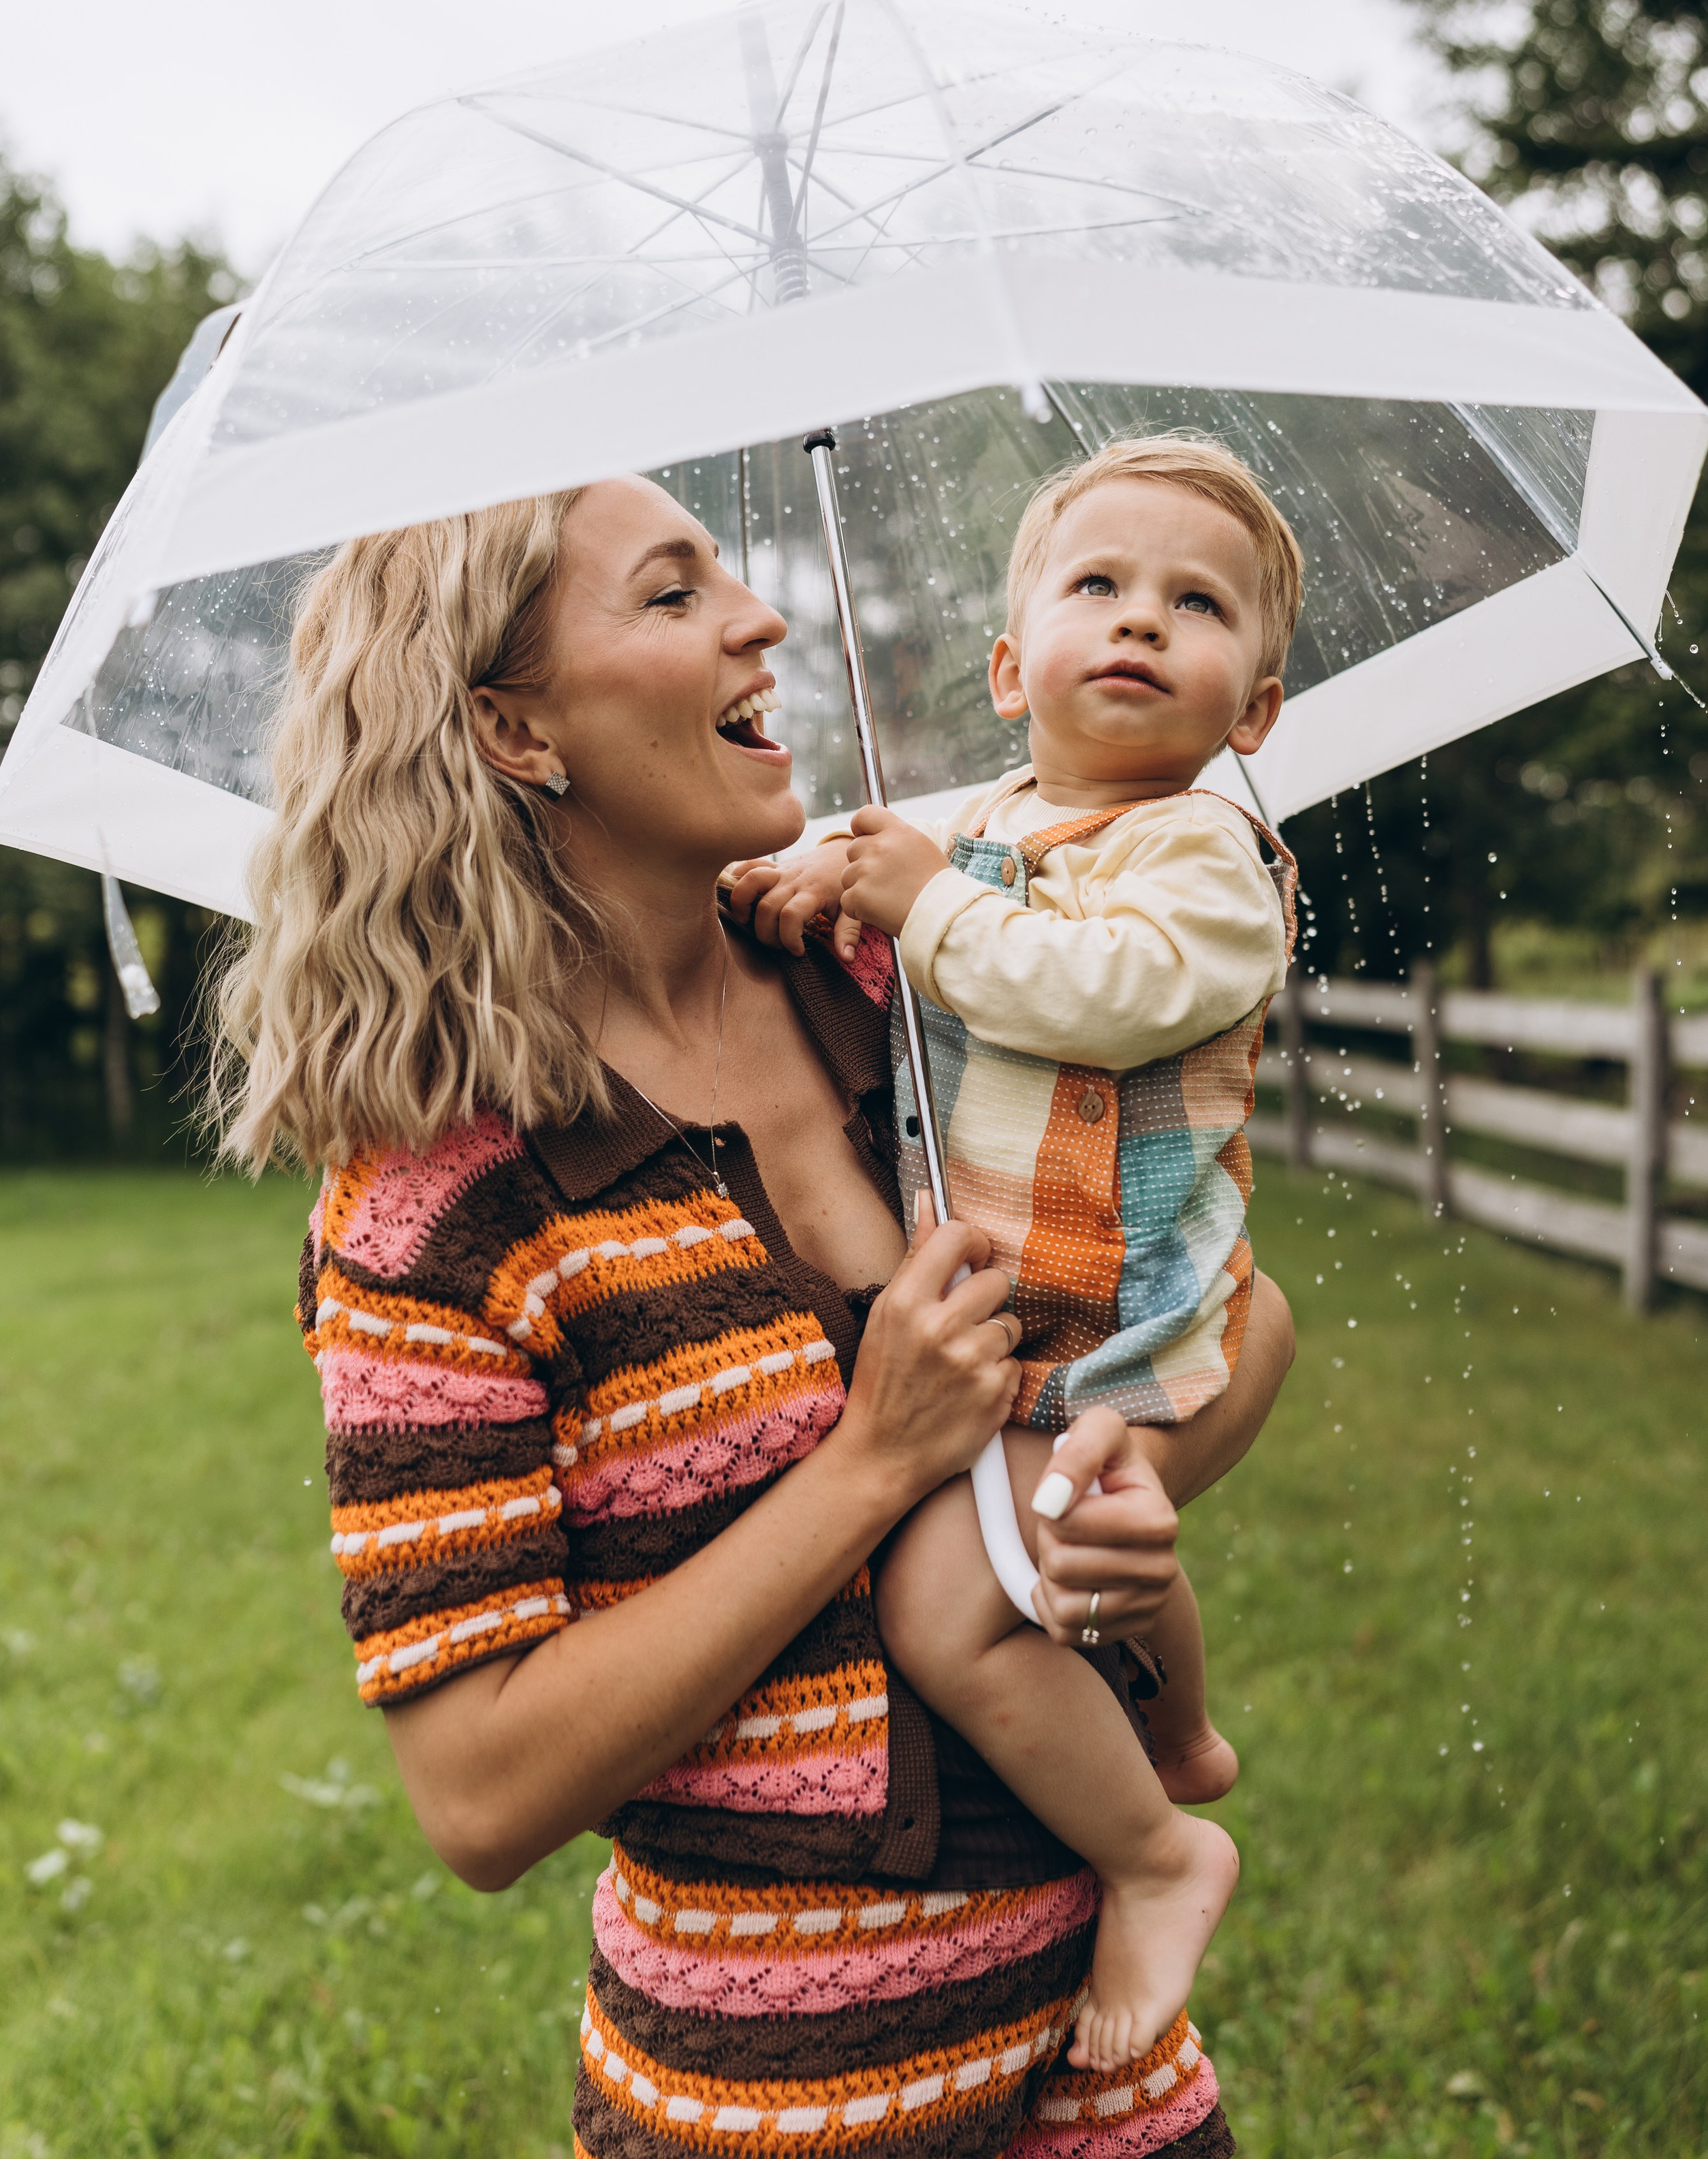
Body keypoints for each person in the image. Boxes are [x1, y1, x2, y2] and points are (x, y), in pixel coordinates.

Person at [209, 471, 1295, 2159]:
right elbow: (481, 1798)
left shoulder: (890, 983)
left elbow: (1232, 1305)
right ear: (514, 729)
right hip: (774, 2104)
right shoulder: (444, 1206)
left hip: (1107, 2072)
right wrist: (867, 1469)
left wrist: (1126, 1497)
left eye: (729, 577)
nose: (759, 618)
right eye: (668, 597)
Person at [731, 437, 1301, 2074]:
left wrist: (919, 907)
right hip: (1018, 1301)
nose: (1138, 622)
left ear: (1248, 711)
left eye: (1193, 607)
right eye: (1096, 587)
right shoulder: (973, 820)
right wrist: (804, 880)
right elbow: (872, 869)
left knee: (962, 1607)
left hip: (1122, 1303)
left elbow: (1093, 994)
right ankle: (1179, 1736)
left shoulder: (1205, 862)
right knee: (1099, 1538)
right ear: (1007, 667)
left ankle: (1156, 1844)